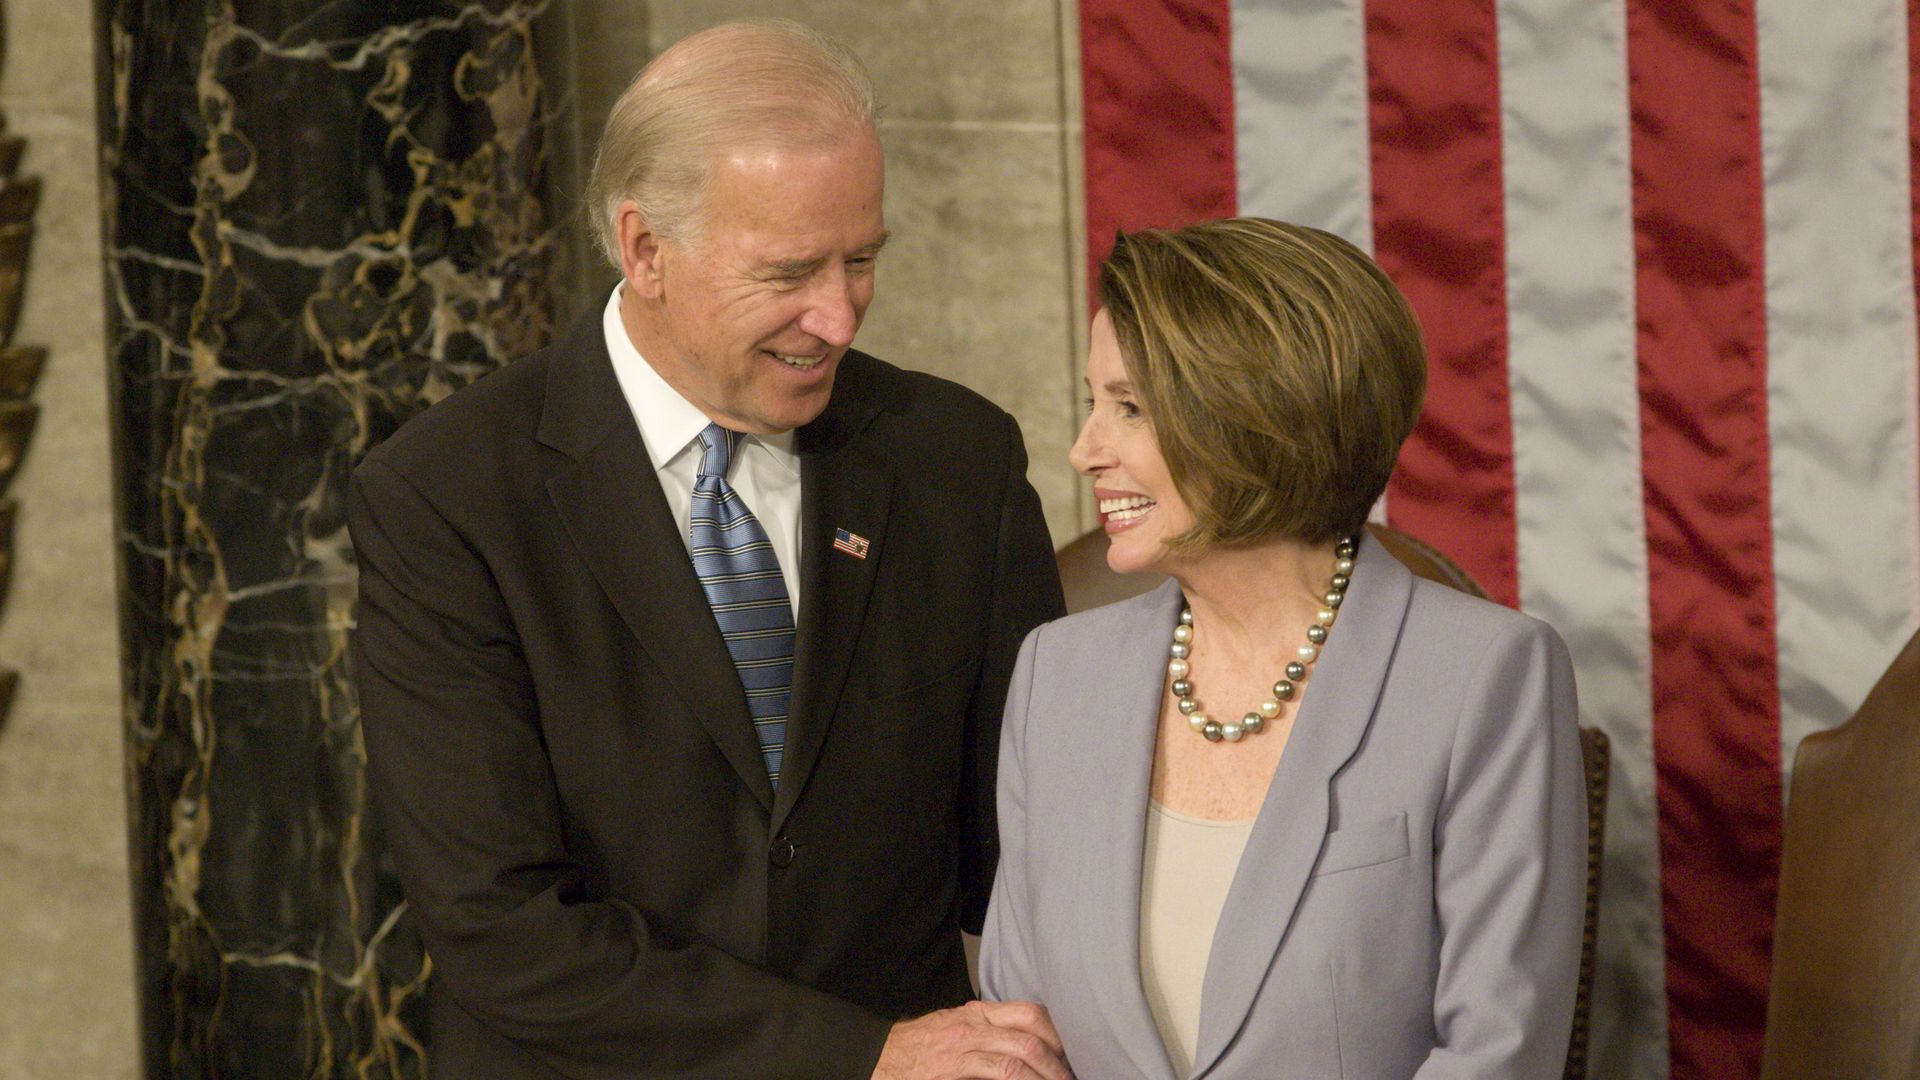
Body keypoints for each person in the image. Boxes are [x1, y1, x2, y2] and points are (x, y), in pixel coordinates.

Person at [348, 20, 1070, 1079]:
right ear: (645, 250)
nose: (836, 316)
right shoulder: (448, 498)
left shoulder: (955, 462)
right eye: (788, 272)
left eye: (861, 260)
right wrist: (859, 1056)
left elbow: (1029, 853)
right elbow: (499, 929)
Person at [978, 218, 1584, 1078]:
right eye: (1093, 402)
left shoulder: (1485, 676)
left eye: (1129, 409)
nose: (1084, 451)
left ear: (1252, 419)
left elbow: (1497, 1050)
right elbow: (1017, 1040)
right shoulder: (1057, 675)